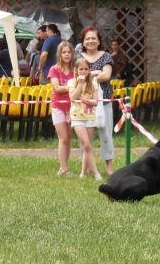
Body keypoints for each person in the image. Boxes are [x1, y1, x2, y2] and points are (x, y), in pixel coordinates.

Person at [77, 26, 114, 175]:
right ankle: (85, 169)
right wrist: (94, 74)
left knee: (106, 135)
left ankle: (109, 167)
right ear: (83, 42)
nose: (90, 41)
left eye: (93, 38)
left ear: (99, 41)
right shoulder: (79, 57)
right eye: (87, 38)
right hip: (83, 104)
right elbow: (75, 77)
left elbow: (106, 76)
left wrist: (87, 76)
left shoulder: (106, 56)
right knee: (85, 138)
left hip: (103, 101)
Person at [68, 57, 102, 180]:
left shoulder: (93, 83)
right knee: (86, 144)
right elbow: (73, 97)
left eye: (86, 69)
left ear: (89, 71)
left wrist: (87, 100)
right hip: (77, 117)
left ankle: (83, 173)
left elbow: (95, 102)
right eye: (80, 69)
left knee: (87, 146)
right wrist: (80, 83)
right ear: (76, 70)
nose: (83, 71)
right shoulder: (71, 82)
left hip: (89, 117)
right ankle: (96, 172)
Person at [47, 41, 75, 176]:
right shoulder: (54, 69)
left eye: (69, 52)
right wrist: (71, 87)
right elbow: (57, 88)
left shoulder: (75, 70)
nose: (67, 54)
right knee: (63, 137)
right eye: (64, 52)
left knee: (69, 138)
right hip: (58, 106)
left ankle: (63, 167)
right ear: (60, 54)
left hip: (72, 107)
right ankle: (64, 169)